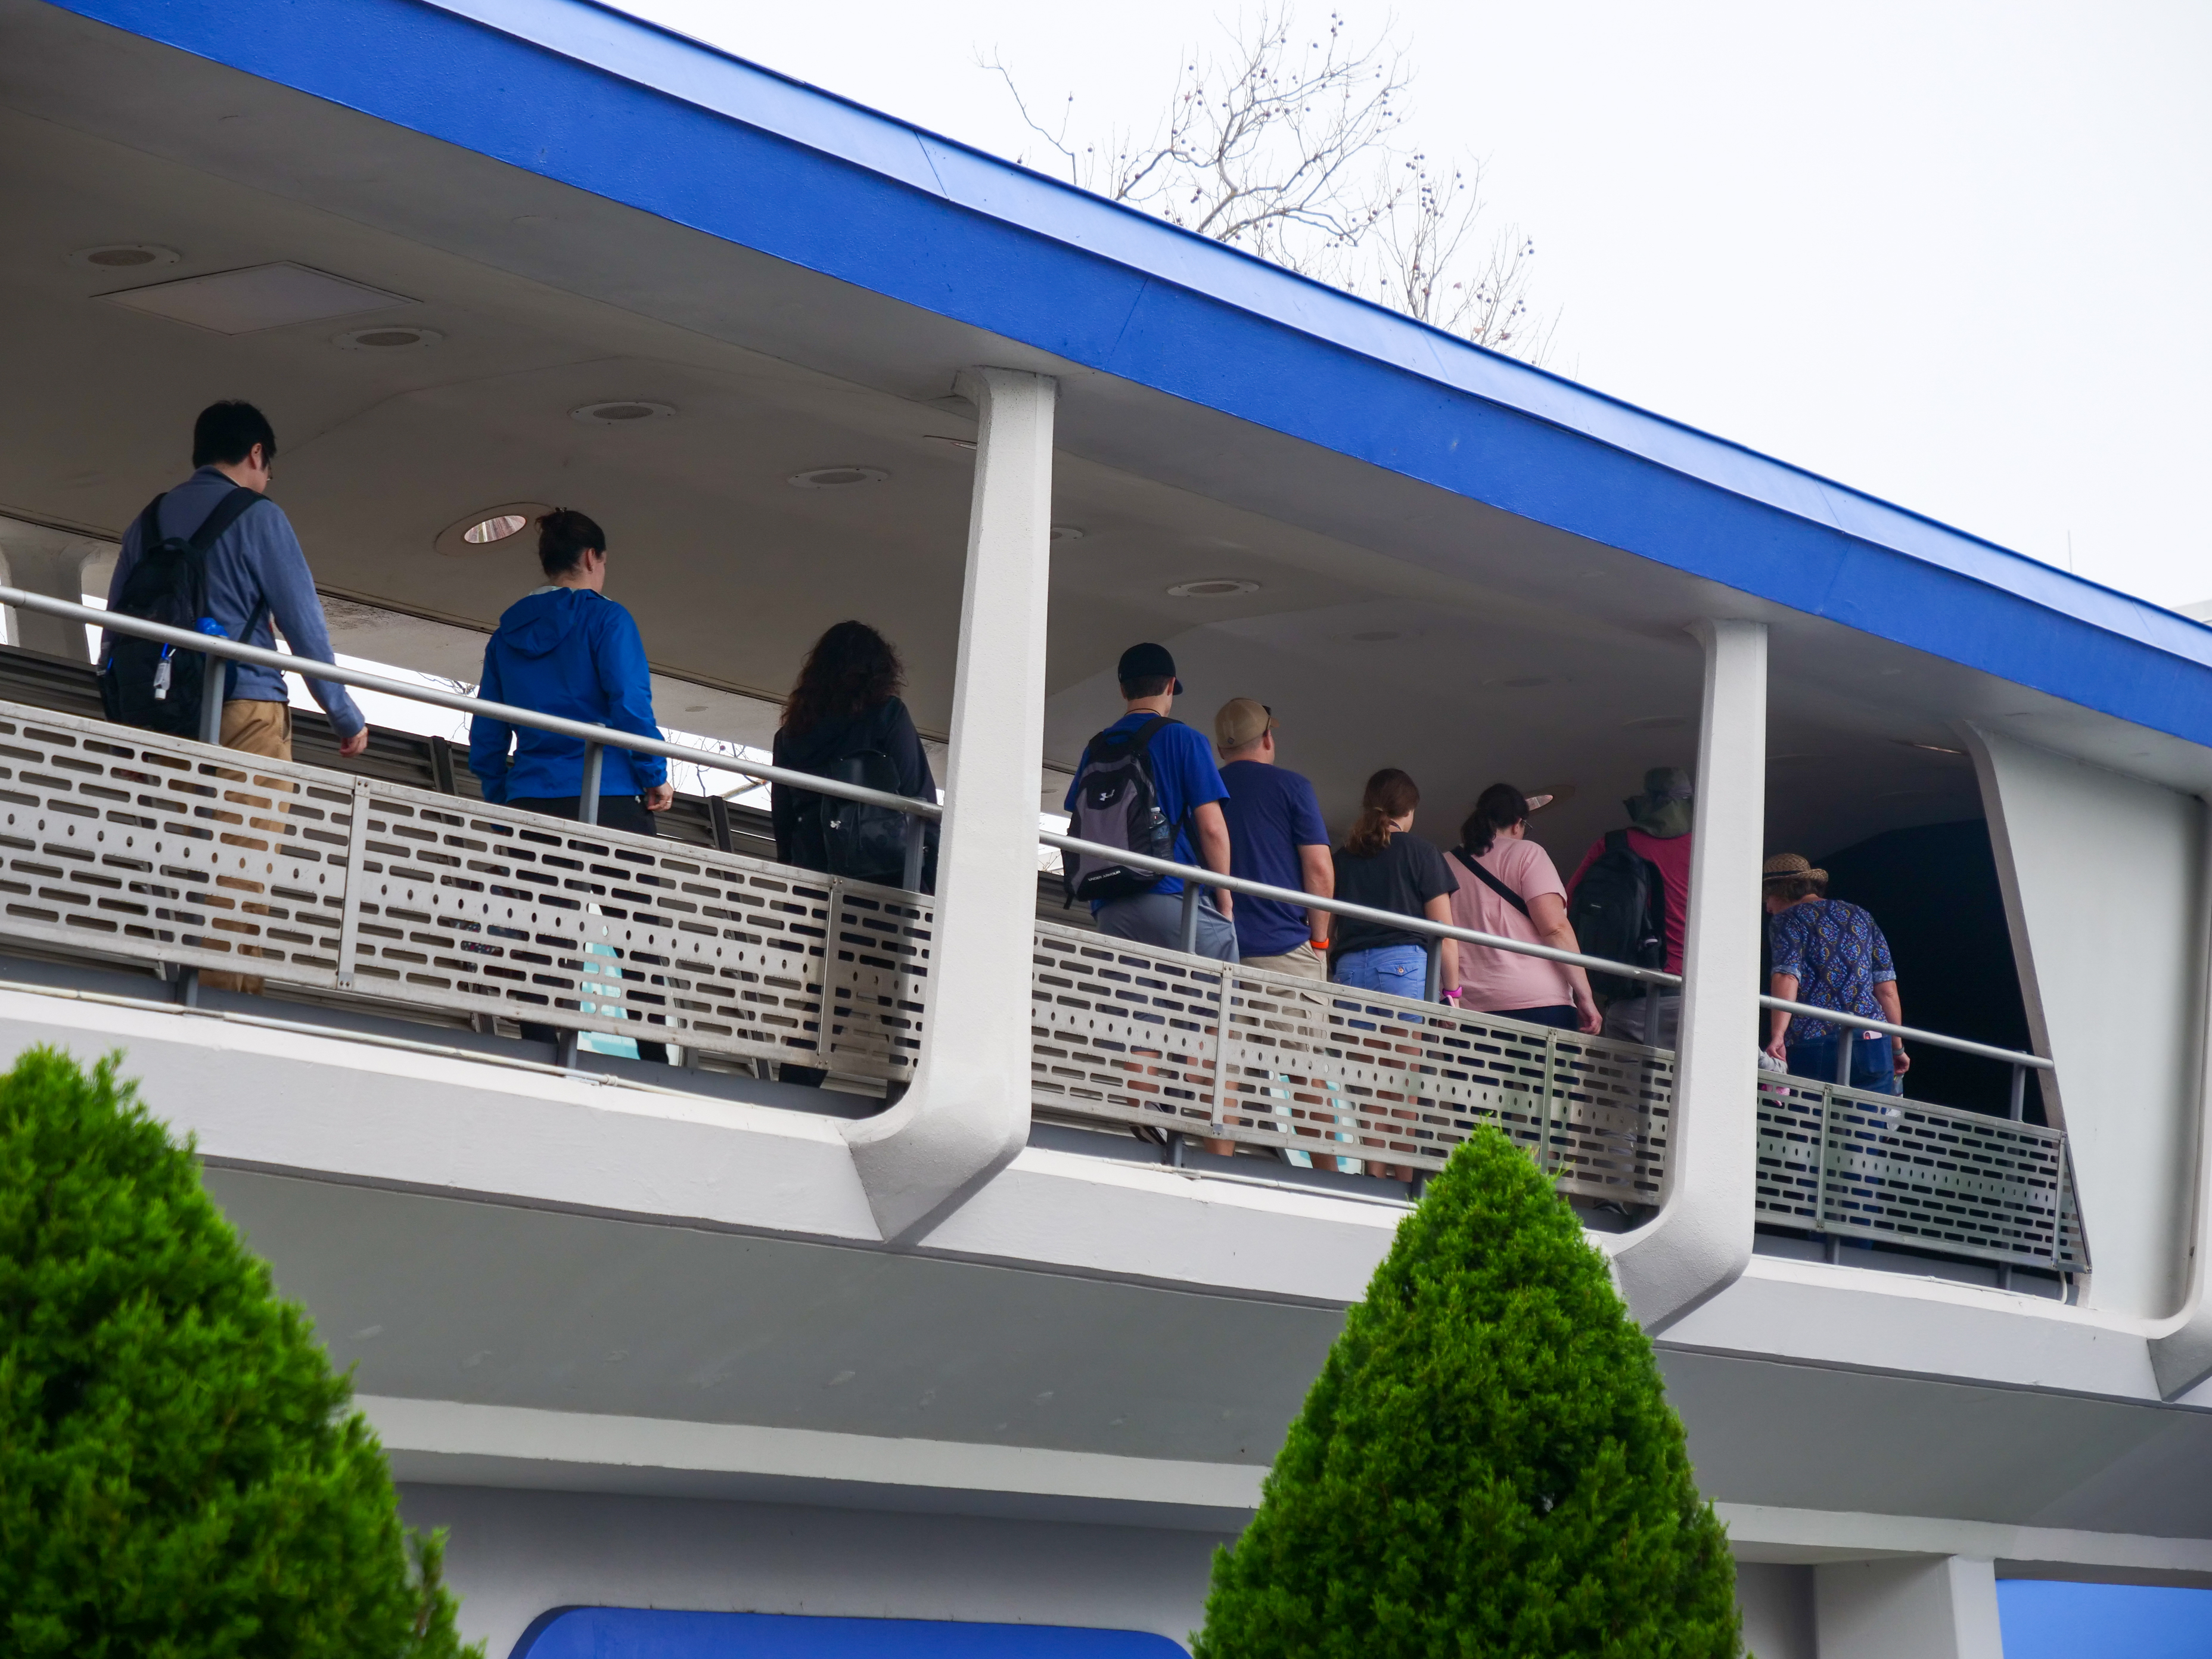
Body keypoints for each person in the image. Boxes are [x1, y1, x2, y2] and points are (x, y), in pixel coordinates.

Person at [102, 400, 369, 995]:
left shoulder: (147, 523)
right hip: (244, 709)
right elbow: (304, 627)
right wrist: (345, 715)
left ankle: (215, 995)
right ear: (255, 454)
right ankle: (220, 1008)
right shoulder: (260, 517)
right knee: (241, 866)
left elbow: (116, 630)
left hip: (161, 716)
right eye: (268, 465)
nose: (266, 477)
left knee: (186, 866)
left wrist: (124, 728)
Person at [469, 509, 672, 1062]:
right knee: (637, 939)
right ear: (591, 558)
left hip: (533, 801)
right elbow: (630, 705)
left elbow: (487, 735)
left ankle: (539, 1057)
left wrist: (504, 800)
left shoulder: (506, 636)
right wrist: (654, 775)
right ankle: (657, 1065)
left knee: (543, 939)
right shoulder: (608, 620)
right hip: (611, 798)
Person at [771, 621, 937, 1089]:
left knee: (825, 1005)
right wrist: (930, 883)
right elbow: (922, 804)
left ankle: (790, 1099)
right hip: (885, 883)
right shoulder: (888, 716)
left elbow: (783, 819)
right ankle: (905, 1105)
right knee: (901, 1007)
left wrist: (798, 882)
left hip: (820, 887)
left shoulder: (793, 735)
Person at [1062, 644, 1237, 959]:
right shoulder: (1184, 739)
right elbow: (1212, 829)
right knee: (1220, 976)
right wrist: (1225, 899)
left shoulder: (1097, 746)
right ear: (1170, 686)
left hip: (1108, 904)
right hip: (1171, 894)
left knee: (1129, 994)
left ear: (1122, 690)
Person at [1329, 768, 1457, 1180]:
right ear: (1409, 810)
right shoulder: (1422, 853)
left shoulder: (1343, 858)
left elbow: (1329, 925)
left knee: (1369, 1085)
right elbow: (1444, 932)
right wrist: (1452, 992)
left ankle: (1373, 1177)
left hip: (1350, 970)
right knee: (1404, 1087)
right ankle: (1401, 1187)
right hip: (1404, 967)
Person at [1446, 784, 1601, 1034]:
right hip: (1536, 1002)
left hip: (1466, 1006)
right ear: (1517, 823)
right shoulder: (1529, 854)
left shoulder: (1445, 863)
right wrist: (1586, 996)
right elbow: (1555, 928)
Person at [1567, 765, 1695, 1047]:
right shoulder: (1706, 848)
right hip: (1695, 998)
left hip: (1631, 994)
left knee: (1628, 1076)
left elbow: (1568, 906)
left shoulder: (1614, 844)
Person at [1761, 853, 1909, 1094]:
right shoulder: (1862, 916)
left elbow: (1787, 976)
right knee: (1867, 1118)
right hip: (1872, 1039)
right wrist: (1897, 1047)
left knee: (1812, 1117)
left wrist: (1778, 1036)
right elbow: (1887, 989)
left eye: (1766, 898)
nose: (1768, 908)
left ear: (1779, 890)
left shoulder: (1788, 920)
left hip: (1813, 1039)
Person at [1212, 697, 1332, 978]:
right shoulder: (1294, 787)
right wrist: (1319, 942)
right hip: (1283, 949)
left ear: (1220, 749)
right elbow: (1319, 868)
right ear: (1268, 738)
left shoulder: (1203, 791)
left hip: (1214, 945)